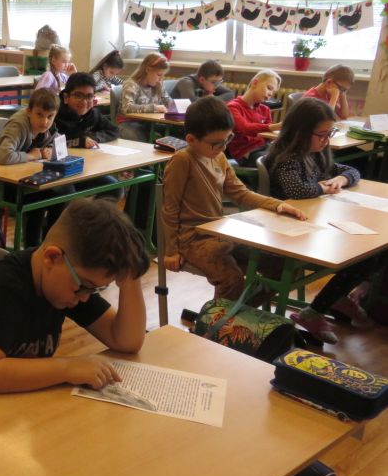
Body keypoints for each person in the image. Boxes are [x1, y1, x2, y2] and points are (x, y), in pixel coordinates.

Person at [0, 198, 150, 412]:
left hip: (20, 403)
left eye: (93, 289)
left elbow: (126, 341)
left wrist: (130, 277)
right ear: (52, 257)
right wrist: (67, 367)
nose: (85, 297)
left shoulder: (67, 283)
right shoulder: (2, 289)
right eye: (85, 286)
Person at [161, 96, 306, 301]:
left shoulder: (219, 157)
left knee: (281, 267)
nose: (223, 148)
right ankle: (219, 320)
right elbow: (170, 208)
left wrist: (278, 205)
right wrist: (171, 251)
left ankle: (239, 313)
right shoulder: (182, 160)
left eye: (227, 139)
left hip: (219, 232)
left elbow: (241, 193)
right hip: (192, 239)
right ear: (191, 140)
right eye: (216, 143)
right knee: (232, 281)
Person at [265, 98, 382, 344]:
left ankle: (334, 297)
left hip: (315, 222)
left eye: (330, 133)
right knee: (365, 252)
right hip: (290, 231)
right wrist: (322, 188)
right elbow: (296, 191)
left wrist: (341, 180)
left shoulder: (316, 154)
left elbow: (351, 171)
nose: (327, 140)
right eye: (322, 135)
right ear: (300, 132)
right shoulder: (287, 158)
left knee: (375, 249)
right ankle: (323, 305)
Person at [0, 89, 63, 246]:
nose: (44, 121)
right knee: (42, 199)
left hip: (26, 180)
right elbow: (5, 156)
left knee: (61, 195)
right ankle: (33, 248)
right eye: (39, 115)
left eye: (50, 116)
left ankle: (47, 244)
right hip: (0, 186)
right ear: (29, 111)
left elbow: (56, 141)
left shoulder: (47, 128)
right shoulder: (18, 125)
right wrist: (32, 156)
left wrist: (49, 149)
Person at [226, 70, 282, 166]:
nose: (270, 94)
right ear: (255, 83)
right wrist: (275, 126)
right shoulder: (233, 107)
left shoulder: (265, 110)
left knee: (286, 156)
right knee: (273, 161)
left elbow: (268, 136)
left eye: (273, 92)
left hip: (263, 148)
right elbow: (245, 128)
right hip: (245, 153)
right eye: (269, 88)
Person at [117, 53, 173, 141]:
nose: (161, 79)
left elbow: (169, 103)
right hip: (129, 123)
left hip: (149, 123)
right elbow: (126, 108)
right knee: (140, 138)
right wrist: (155, 108)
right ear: (148, 69)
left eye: (163, 75)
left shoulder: (158, 85)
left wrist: (174, 104)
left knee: (176, 132)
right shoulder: (131, 84)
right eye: (159, 75)